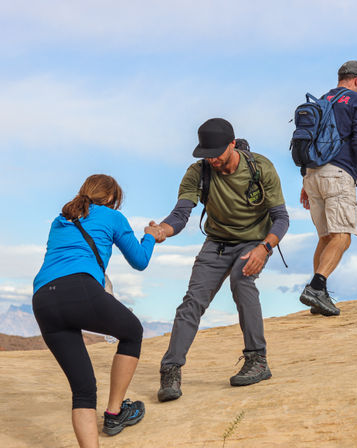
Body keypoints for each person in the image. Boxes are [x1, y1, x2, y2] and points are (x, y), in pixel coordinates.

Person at [151, 118, 289, 402]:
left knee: (242, 282)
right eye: (206, 153)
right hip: (216, 243)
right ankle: (171, 370)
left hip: (253, 241)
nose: (211, 158)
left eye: (216, 152)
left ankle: (257, 360)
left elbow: (281, 219)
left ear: (232, 144)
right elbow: (181, 214)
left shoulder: (260, 168)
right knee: (193, 301)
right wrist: (162, 230)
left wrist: (264, 248)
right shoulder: (198, 172)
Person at [32, 174, 160, 447]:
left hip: (43, 298)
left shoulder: (60, 219)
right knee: (132, 332)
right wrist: (149, 237)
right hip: (79, 289)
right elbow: (140, 260)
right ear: (112, 198)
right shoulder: (112, 217)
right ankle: (115, 413)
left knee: (83, 392)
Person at [298, 60, 357, 317]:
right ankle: (317, 287)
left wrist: (305, 181)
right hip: (339, 173)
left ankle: (318, 296)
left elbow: (308, 139)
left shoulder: (322, 100)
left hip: (312, 174)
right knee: (342, 235)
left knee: (325, 237)